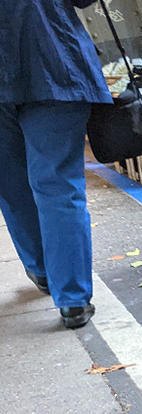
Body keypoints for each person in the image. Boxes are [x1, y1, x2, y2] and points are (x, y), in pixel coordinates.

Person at [0, 0, 111, 329]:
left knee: (10, 183)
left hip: (44, 61)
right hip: (52, 60)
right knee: (59, 185)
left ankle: (44, 271)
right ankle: (72, 299)